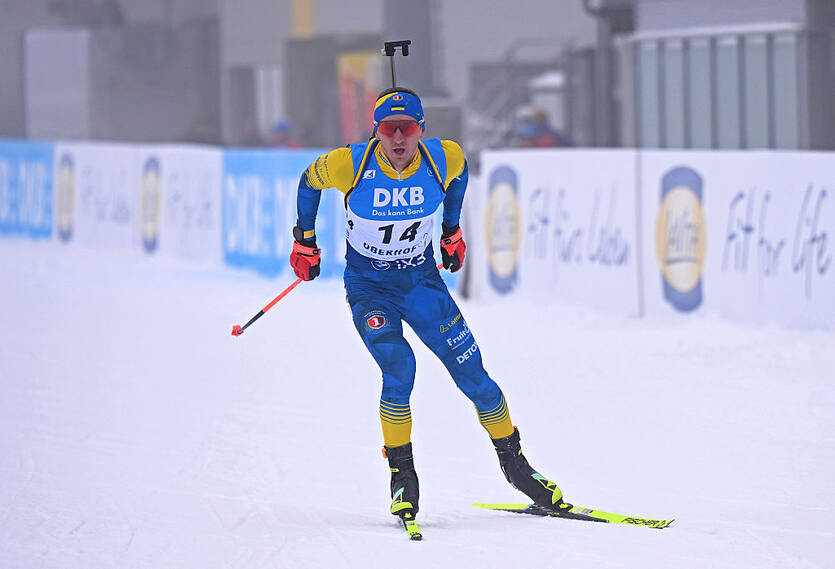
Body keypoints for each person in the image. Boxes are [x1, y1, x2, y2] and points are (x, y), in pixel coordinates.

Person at [289, 87, 568, 525]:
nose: (398, 139)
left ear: (422, 130)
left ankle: (516, 465)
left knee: (474, 376)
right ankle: (402, 475)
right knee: (399, 367)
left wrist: (452, 230)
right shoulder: (350, 162)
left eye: (408, 128)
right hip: (370, 288)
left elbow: (458, 180)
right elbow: (309, 180)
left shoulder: (445, 158)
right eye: (388, 129)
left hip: (421, 282)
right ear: (375, 132)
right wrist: (303, 239)